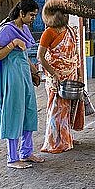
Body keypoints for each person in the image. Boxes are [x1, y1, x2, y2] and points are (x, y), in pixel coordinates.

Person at [0, 0, 44, 169]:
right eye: (32, 15)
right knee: (14, 113)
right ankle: (12, 157)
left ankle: (26, 152)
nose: (34, 18)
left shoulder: (24, 29)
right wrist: (12, 44)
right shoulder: (7, 30)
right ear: (21, 13)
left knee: (29, 111)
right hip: (12, 77)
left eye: (35, 15)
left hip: (24, 75)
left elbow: (24, 56)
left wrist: (34, 73)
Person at [37, 11, 85, 154]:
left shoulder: (70, 30)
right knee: (56, 108)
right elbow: (40, 56)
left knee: (69, 107)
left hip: (71, 73)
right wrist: (53, 73)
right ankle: (55, 141)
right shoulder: (49, 33)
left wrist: (80, 73)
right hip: (56, 76)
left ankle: (66, 136)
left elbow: (76, 54)